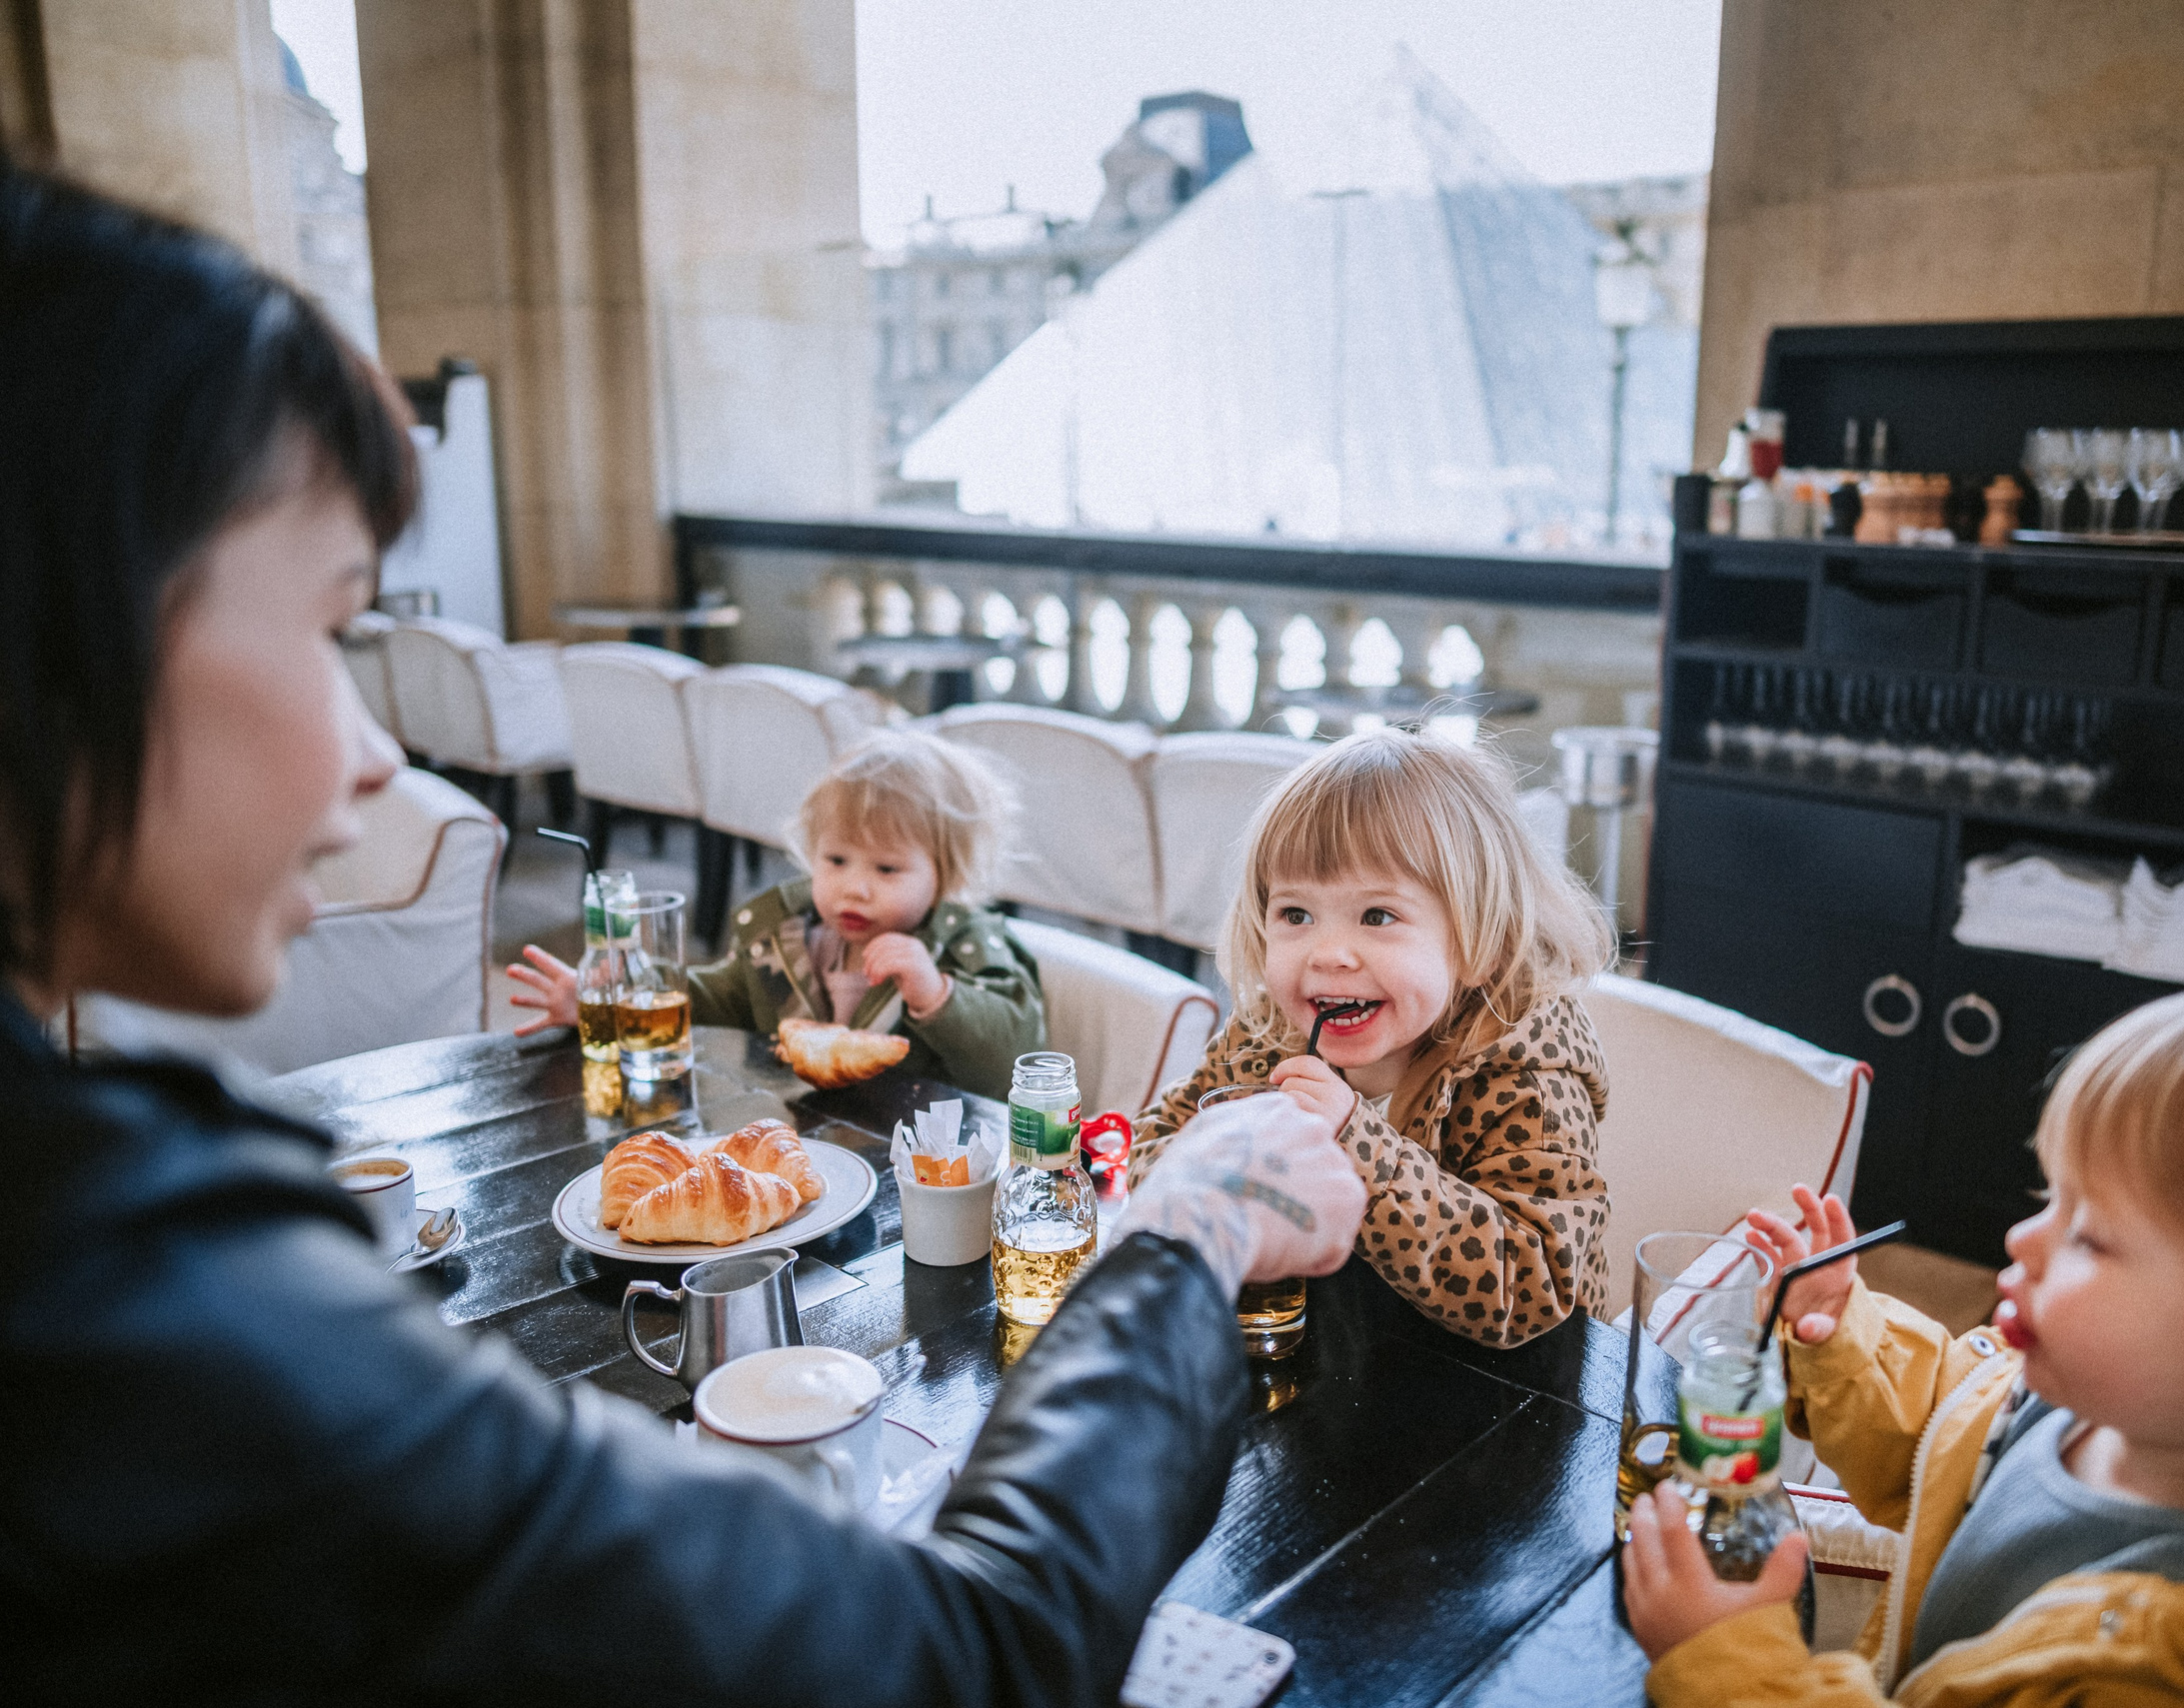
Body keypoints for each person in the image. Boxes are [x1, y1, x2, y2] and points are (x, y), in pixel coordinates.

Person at [0, 165, 1367, 1704]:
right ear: (53, 633)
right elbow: (967, 1656)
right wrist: (1188, 1227)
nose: (377, 755)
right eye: (329, 633)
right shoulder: (111, 1295)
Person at [1617, 989, 2184, 1705]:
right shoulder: (2104, 1407)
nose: (2020, 1243)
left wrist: (1735, 1661)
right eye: (2048, 1201)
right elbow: (1946, 1433)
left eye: (2092, 1235)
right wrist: (1845, 1325)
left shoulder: (2160, 1681)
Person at [1132, 729, 1616, 1348]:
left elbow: (1532, 1287)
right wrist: (1228, 1176)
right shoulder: (1269, 1032)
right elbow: (1156, 1146)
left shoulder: (1527, 1069)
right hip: (1342, 1351)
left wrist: (1356, 1142)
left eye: (1378, 916)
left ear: (1480, 944)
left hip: (1514, 1397)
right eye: (1295, 914)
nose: (1329, 954)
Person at [509, 728, 1043, 1099]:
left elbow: (1011, 1056)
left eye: (886, 869)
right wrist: (616, 1004)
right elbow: (718, 997)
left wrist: (934, 992)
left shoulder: (968, 944)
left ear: (943, 875)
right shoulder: (789, 938)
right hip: (811, 1138)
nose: (854, 888)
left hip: (927, 1162)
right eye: (835, 860)